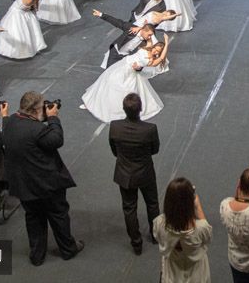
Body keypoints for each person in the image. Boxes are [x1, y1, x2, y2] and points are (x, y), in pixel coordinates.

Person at [3, 91, 83, 266]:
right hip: (46, 184)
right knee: (59, 216)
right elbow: (56, 140)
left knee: (34, 218)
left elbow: (28, 129)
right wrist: (53, 118)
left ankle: (37, 255)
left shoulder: (10, 122)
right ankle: (68, 249)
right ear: (34, 110)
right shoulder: (38, 130)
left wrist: (44, 117)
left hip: (23, 184)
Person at [109, 93, 161, 255]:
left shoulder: (115, 127)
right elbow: (155, 150)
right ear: (141, 109)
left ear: (124, 109)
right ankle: (155, 235)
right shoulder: (150, 129)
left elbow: (114, 150)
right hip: (145, 173)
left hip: (125, 174)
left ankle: (136, 243)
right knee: (152, 204)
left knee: (129, 208)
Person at [81, 35, 170, 122]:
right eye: (155, 49)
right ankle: (92, 103)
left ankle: (115, 111)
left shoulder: (152, 61)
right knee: (107, 81)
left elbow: (162, 58)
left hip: (130, 74)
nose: (155, 52)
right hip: (121, 66)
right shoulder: (148, 47)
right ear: (154, 47)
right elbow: (148, 36)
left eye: (158, 52)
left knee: (123, 90)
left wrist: (166, 43)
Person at [154, 177, 213, 283]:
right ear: (190, 203)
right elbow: (208, 236)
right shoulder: (201, 228)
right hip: (196, 276)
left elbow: (158, 237)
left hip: (171, 276)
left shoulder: (159, 224)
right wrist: (198, 206)